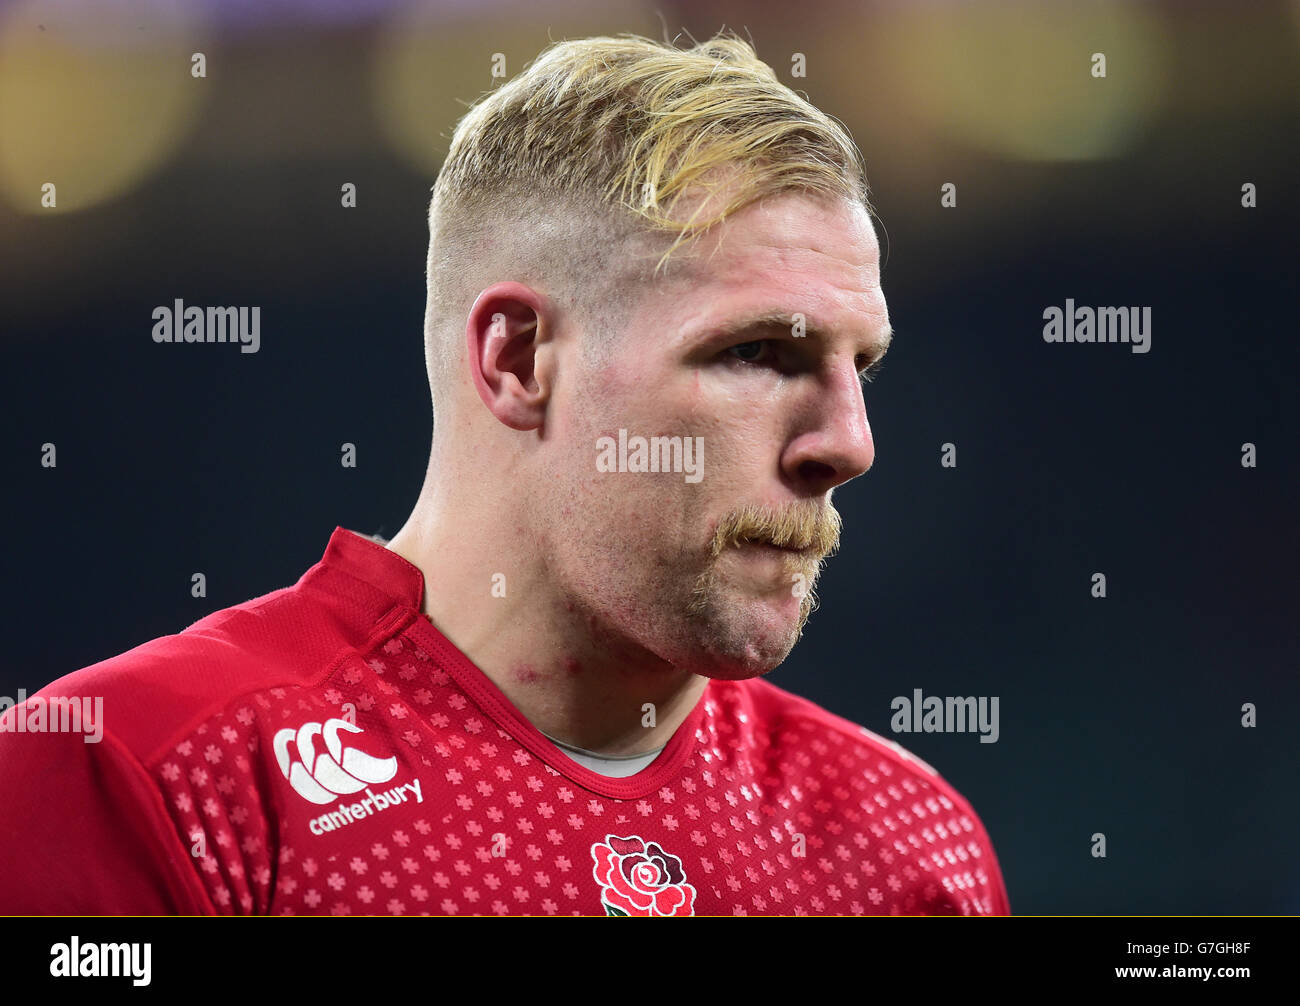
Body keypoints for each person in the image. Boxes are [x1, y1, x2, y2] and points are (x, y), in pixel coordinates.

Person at [0, 31, 1009, 917]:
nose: (848, 442)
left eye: (860, 364)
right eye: (757, 354)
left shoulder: (908, 847)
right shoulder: (147, 777)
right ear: (518, 361)